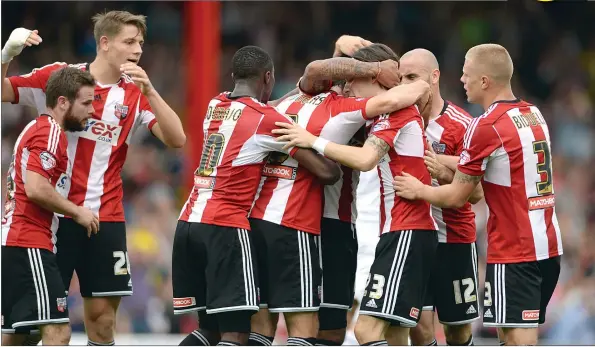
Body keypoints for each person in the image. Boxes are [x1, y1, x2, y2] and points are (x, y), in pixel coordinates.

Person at [1, 11, 186, 346]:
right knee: (28, 328)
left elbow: (177, 140)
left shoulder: (135, 94)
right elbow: (2, 90)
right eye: (129, 41)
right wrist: (7, 55)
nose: (138, 50)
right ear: (104, 43)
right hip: (53, 218)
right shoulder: (61, 77)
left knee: (102, 322)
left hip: (105, 217)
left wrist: (151, 91)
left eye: (141, 43)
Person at [247, 39, 430, 347]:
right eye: (344, 77)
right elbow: (321, 71)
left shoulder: (297, 100)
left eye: (352, 79)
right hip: (318, 223)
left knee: (279, 324)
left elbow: (322, 72)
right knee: (317, 328)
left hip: (302, 220)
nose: (346, 84)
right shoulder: (339, 104)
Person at [393, 43, 563, 346]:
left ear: (484, 81)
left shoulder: (485, 125)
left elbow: (461, 195)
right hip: (547, 244)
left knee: (515, 341)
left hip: (515, 249)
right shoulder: (533, 113)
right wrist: (443, 162)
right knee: (514, 337)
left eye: (466, 74)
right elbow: (499, 164)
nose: (461, 80)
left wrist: (419, 189)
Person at [172, 45, 341, 346]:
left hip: (188, 222)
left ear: (234, 75)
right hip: (224, 227)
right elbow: (328, 173)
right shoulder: (267, 119)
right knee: (236, 333)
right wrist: (316, 141)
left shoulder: (216, 104)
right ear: (267, 77)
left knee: (208, 330)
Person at [386, 48, 483, 347]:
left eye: (413, 77)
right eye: (401, 78)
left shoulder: (462, 125)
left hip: (453, 238)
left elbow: (477, 193)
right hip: (413, 237)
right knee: (418, 327)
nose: (406, 85)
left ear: (434, 77)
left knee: (457, 331)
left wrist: (441, 172)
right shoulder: (395, 118)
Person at [1, 67, 99, 346]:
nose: (92, 111)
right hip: (29, 241)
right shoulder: (50, 132)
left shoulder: (37, 129)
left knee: (19, 337)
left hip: (15, 242)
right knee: (58, 332)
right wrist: (77, 211)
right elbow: (36, 187)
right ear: (63, 102)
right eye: (87, 102)